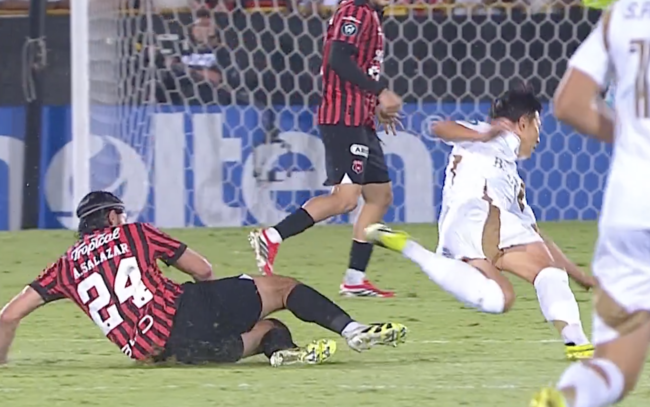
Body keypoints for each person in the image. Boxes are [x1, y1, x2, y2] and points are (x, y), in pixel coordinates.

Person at [0, 191, 407, 367]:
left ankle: (282, 352)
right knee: (282, 288)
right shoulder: (134, 233)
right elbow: (203, 270)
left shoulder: (65, 266)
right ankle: (353, 330)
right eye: (118, 214)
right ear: (111, 217)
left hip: (158, 353)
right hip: (185, 313)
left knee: (270, 328)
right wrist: (220, 303)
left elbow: (8, 316)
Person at [364, 87, 595, 361]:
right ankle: (576, 340)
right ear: (523, 123)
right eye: (537, 126)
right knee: (546, 270)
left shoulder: (511, 180)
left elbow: (535, 234)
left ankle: (411, 248)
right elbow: (441, 128)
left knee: (502, 298)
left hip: (465, 228)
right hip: (478, 214)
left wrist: (580, 277)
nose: (538, 137)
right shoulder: (492, 135)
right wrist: (483, 135)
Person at [527, 1, 650, 407]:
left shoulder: (624, 14)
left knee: (616, 362)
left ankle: (566, 402)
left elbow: (569, 104)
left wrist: (632, 141)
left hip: (631, 207)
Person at [248, 0, 403, 298]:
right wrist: (381, 91)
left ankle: (355, 279)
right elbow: (338, 58)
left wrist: (373, 103)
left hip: (360, 118)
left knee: (380, 196)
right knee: (345, 199)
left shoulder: (370, 14)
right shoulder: (355, 11)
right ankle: (272, 236)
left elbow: (358, 68)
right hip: (343, 118)